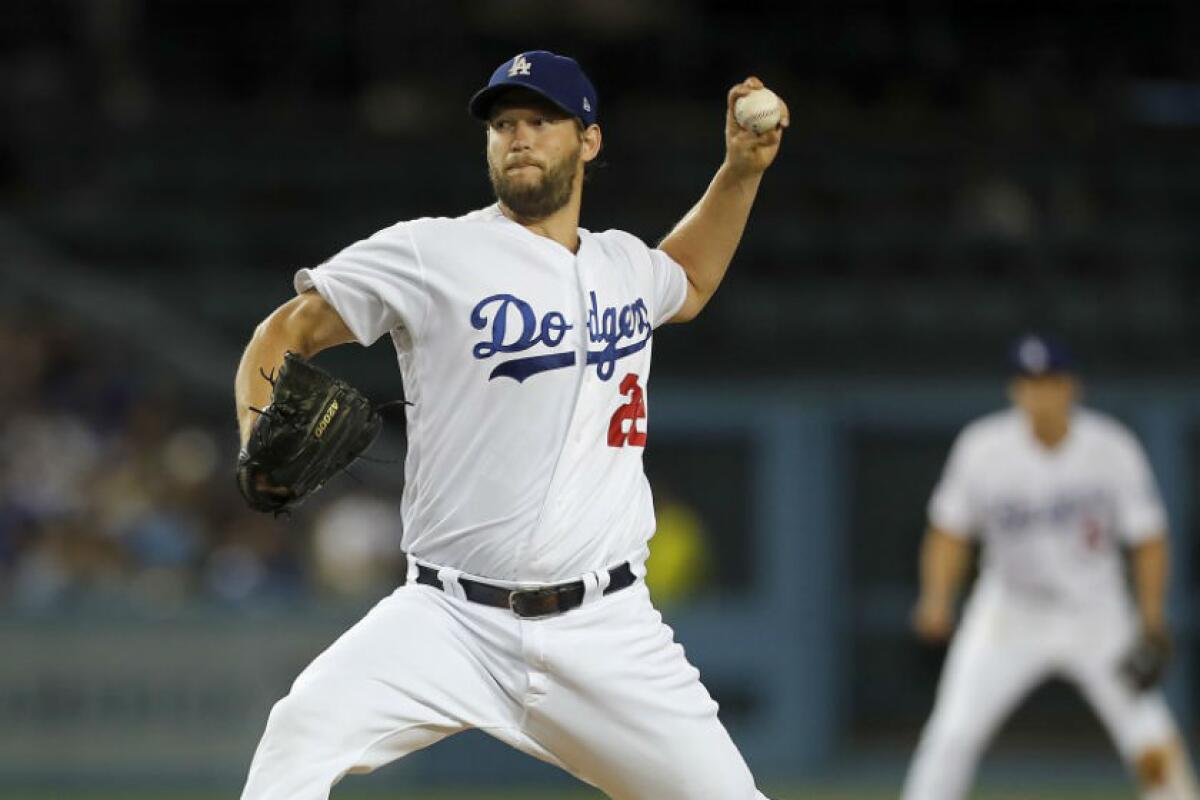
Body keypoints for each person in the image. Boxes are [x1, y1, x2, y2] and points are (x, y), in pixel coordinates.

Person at [233, 51, 787, 799]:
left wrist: (742, 171)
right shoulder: (433, 252)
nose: (517, 136)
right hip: (446, 620)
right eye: (502, 125)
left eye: (540, 120)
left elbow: (687, 279)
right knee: (297, 737)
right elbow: (287, 329)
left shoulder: (624, 265)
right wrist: (252, 434)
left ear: (588, 141)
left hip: (608, 632)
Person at [902, 334, 1199, 800]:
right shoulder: (983, 446)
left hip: (1096, 615)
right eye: (1028, 381)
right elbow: (949, 532)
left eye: (1050, 380)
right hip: (1008, 614)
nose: (1039, 392)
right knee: (952, 735)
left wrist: (1151, 616)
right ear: (1015, 389)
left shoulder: (1111, 446)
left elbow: (1149, 538)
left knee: (1149, 736)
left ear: (1072, 386)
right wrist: (936, 598)